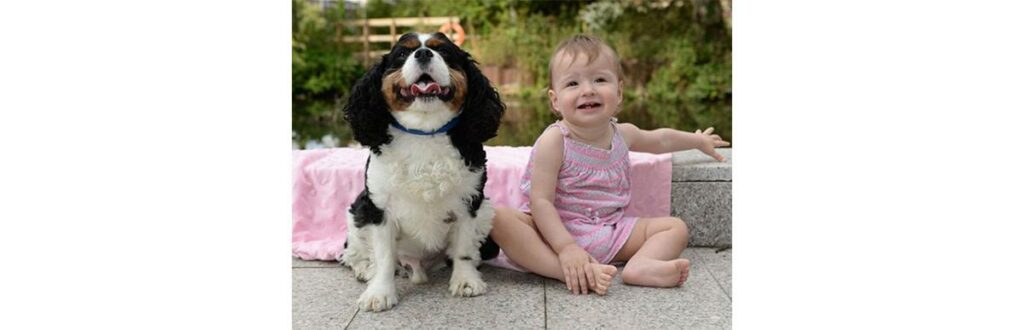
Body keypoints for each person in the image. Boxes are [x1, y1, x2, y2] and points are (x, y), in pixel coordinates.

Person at [490, 34, 730, 295]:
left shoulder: (622, 134)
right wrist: (567, 247)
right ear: (555, 100)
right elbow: (541, 202)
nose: (588, 89)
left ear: (619, 92)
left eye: (600, 79)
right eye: (572, 83)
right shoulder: (555, 140)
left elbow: (660, 139)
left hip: (610, 232)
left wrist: (696, 140)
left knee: (675, 227)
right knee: (498, 218)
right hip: (554, 234)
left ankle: (641, 266)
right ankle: (568, 271)